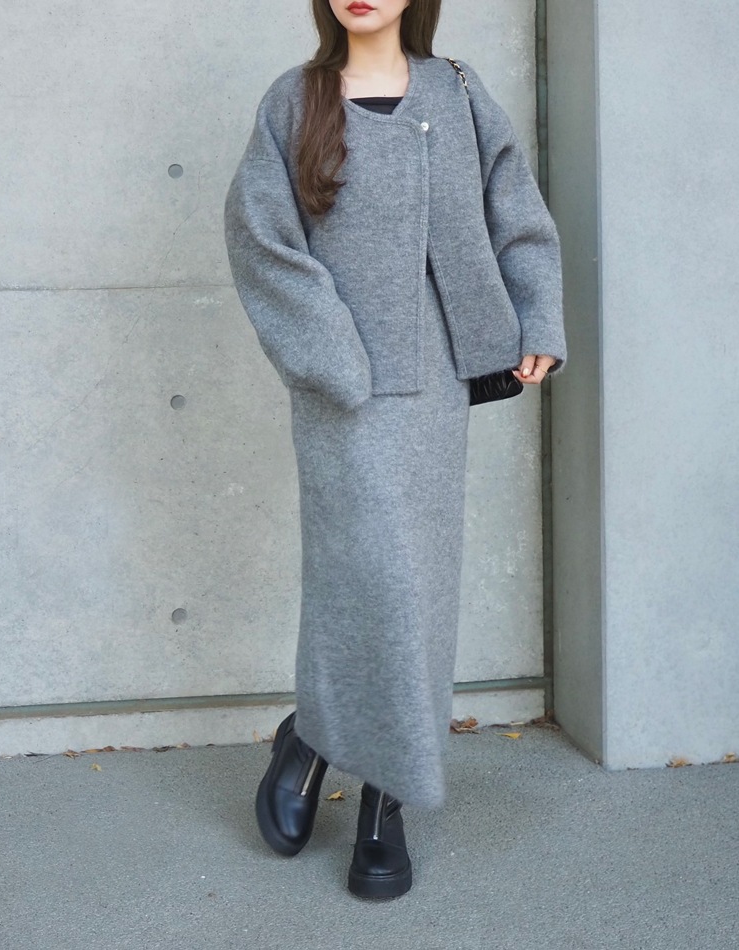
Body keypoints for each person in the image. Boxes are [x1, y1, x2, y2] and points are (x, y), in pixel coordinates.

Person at [223, 0, 567, 900]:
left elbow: (514, 208)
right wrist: (332, 357)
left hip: (438, 386)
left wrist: (537, 315)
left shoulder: (457, 91)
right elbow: (262, 240)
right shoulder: (295, 99)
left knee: (418, 585)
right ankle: (317, 737)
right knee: (362, 576)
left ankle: (384, 795)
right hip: (342, 389)